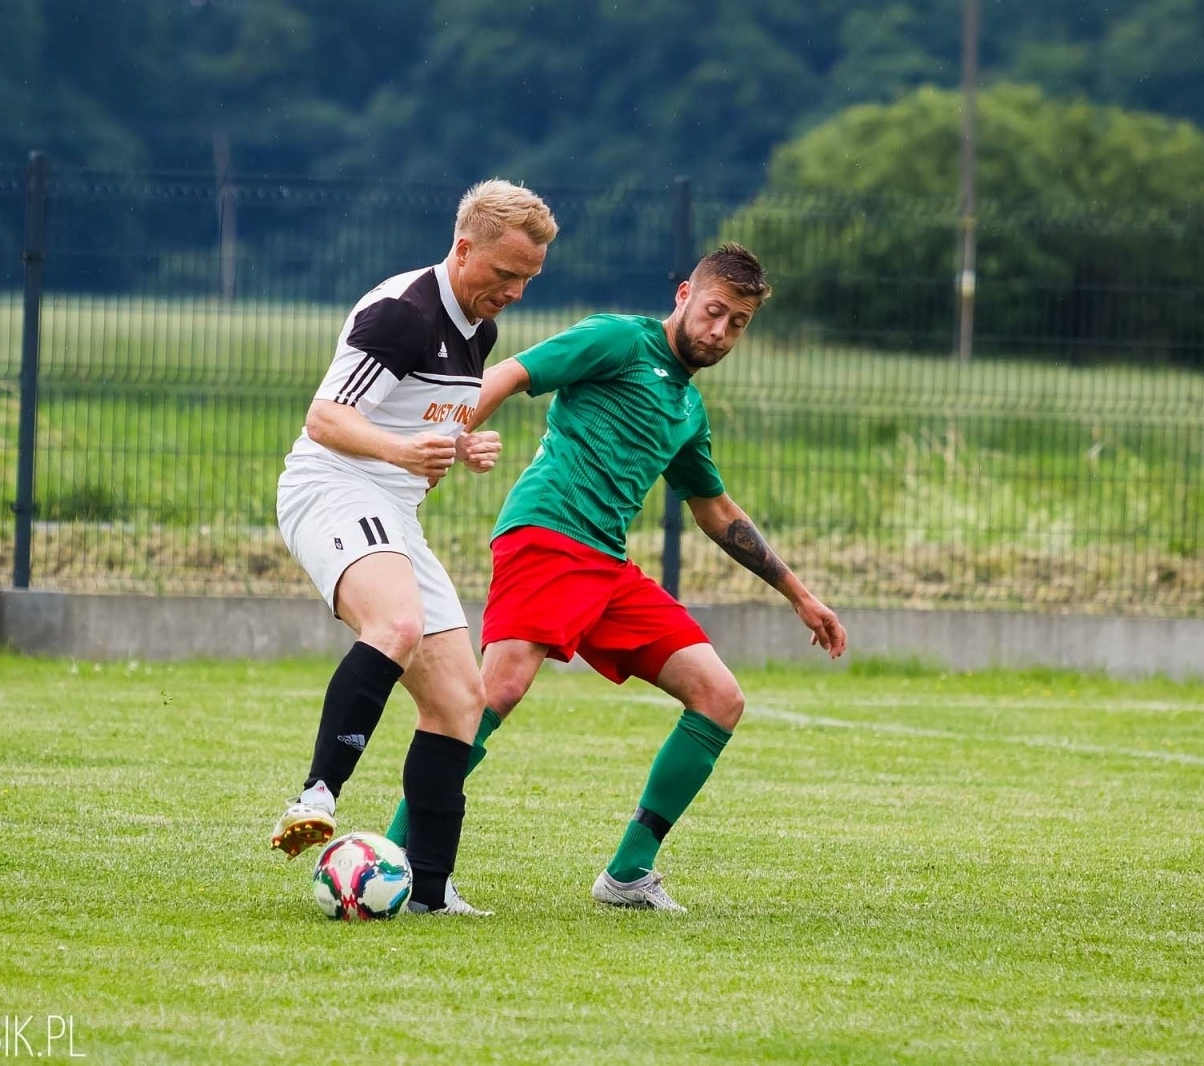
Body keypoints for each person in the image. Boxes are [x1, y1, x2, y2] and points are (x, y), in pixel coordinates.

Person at [382, 242, 847, 911]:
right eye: (714, 311)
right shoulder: (617, 339)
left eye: (738, 324)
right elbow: (510, 373)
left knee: (720, 698)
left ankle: (628, 874)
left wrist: (801, 597)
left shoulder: (687, 411)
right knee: (497, 690)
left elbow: (716, 512)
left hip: (605, 564)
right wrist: (448, 439)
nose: (720, 331)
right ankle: (409, 863)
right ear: (685, 295)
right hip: (546, 533)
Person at [269, 179, 558, 917]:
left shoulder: (479, 330)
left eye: (529, 277)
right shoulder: (403, 312)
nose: (516, 291)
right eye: (505, 273)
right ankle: (315, 794)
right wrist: (404, 453)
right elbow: (326, 419)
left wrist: (464, 446)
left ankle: (429, 889)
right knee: (394, 626)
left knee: (463, 700)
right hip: (331, 487)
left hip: (392, 507)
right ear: (464, 249)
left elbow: (422, 422)